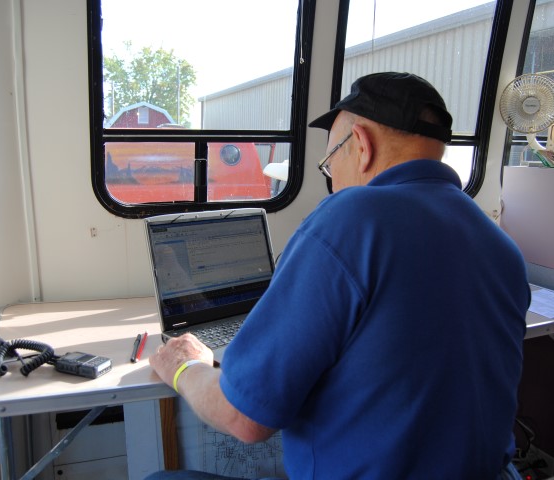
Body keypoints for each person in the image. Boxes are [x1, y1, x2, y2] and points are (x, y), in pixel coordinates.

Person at [147, 72, 531, 480]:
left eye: (329, 164)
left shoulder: (353, 217)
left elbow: (243, 417)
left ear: (361, 145)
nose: (332, 184)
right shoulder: (499, 243)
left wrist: (185, 367)